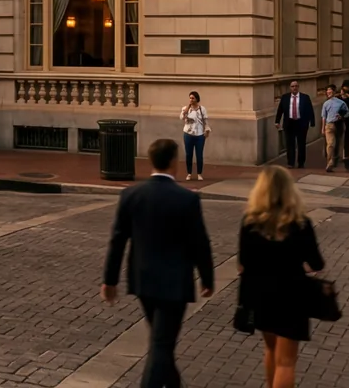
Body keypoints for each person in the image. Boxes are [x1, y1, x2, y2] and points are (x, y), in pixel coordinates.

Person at [101, 137, 215, 388]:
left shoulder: (131, 194)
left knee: (161, 341)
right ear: (174, 162)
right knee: (162, 345)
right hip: (175, 283)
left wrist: (109, 280)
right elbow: (200, 243)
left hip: (143, 281)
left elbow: (117, 240)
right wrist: (207, 278)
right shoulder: (187, 199)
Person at [235, 165, 326, 388]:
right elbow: (316, 263)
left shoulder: (250, 222)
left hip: (260, 294)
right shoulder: (300, 223)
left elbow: (243, 262)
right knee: (286, 362)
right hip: (291, 295)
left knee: (270, 349)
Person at [275, 82, 312, 168]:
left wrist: (311, 121)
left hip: (301, 123)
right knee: (290, 144)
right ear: (290, 88)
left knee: (301, 144)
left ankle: (301, 162)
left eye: (296, 86)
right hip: (289, 123)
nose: (294, 88)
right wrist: (277, 121)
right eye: (292, 86)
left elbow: (309, 110)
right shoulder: (285, 97)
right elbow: (280, 110)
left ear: (298, 87)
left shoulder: (305, 97)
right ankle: (290, 162)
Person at [179, 91, 210, 182]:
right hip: (188, 134)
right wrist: (188, 107)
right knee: (189, 154)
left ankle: (199, 173)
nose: (191, 100)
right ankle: (189, 173)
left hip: (200, 134)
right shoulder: (186, 108)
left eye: (193, 98)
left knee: (199, 155)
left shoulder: (202, 109)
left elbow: (205, 121)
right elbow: (182, 117)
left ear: (197, 99)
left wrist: (207, 130)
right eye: (190, 98)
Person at [319, 86, 347, 171]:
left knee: (337, 143)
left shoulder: (341, 103)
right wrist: (323, 128)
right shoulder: (325, 104)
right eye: (327, 92)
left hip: (338, 125)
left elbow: (346, 113)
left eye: (330, 92)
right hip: (329, 125)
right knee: (330, 144)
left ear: (334, 92)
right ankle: (329, 163)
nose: (328, 93)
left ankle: (335, 158)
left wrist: (342, 116)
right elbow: (323, 117)